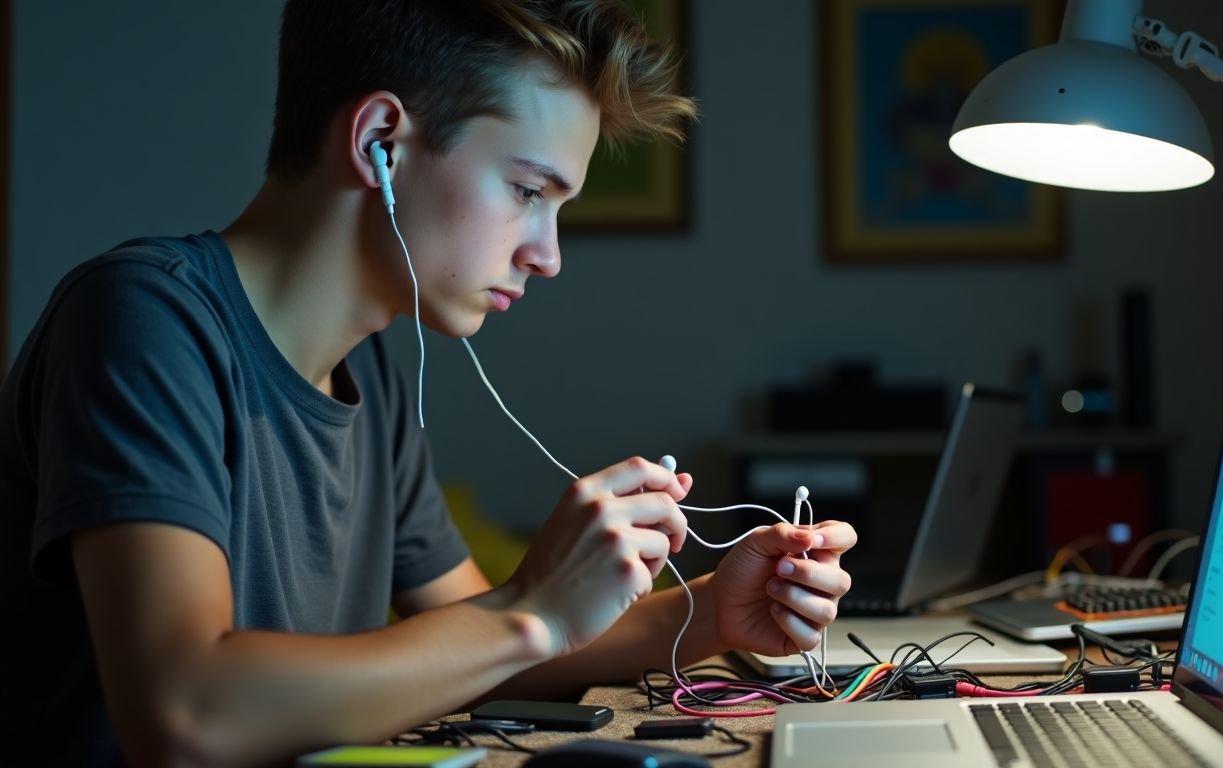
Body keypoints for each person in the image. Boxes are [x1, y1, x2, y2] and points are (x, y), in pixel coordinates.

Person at [0, 1, 857, 766]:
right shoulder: (143, 319)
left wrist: (712, 614)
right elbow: (186, 716)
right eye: (527, 190)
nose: (548, 255)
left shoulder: (368, 366)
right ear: (379, 143)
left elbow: (484, 647)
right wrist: (529, 605)